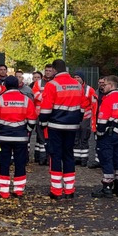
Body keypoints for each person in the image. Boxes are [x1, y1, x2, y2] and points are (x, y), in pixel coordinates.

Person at [38, 58, 84, 199]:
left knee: (55, 156)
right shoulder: (77, 85)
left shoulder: (52, 85)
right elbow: (82, 108)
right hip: (72, 126)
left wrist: (43, 123)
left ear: (55, 70)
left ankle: (56, 191)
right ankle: (70, 190)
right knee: (69, 155)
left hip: (55, 126)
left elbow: (45, 109)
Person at [0, 72, 37, 198]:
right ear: (18, 85)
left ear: (5, 85)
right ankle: (18, 190)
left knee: (3, 163)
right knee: (20, 163)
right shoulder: (26, 99)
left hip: (2, 138)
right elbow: (32, 121)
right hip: (21, 138)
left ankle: (4, 192)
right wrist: (25, 131)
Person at [92, 75, 118, 197]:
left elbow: (102, 120)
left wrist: (99, 133)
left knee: (106, 159)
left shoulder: (108, 99)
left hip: (108, 134)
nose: (103, 87)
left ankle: (107, 187)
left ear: (111, 85)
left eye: (105, 85)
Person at [73, 74, 97, 167]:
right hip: (74, 116)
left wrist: (89, 112)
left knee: (84, 138)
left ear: (82, 79)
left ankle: (84, 159)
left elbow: (94, 103)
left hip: (85, 117)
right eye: (74, 77)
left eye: (78, 77)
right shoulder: (72, 88)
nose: (76, 79)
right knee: (75, 138)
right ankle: (76, 158)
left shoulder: (89, 89)